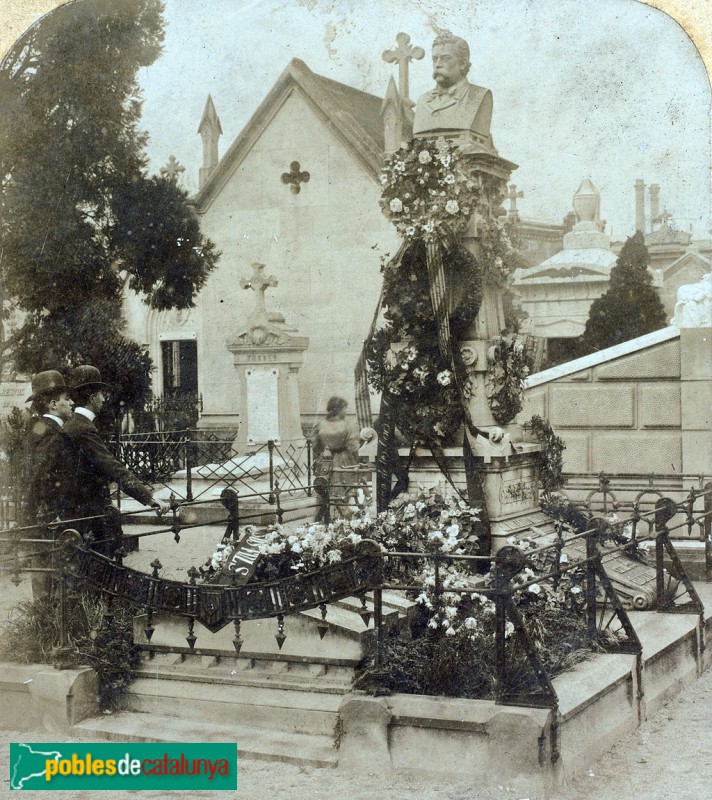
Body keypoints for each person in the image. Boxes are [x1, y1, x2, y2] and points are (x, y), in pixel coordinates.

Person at [61, 365, 169, 557]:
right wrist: (150, 498)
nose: (104, 399)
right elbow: (113, 467)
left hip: (79, 511)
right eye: (101, 394)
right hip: (88, 514)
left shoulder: (76, 425)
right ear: (93, 397)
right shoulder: (83, 428)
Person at [22, 370, 75, 599]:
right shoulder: (53, 435)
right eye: (67, 399)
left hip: (42, 517)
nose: (72, 402)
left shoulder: (39, 430)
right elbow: (39, 478)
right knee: (51, 573)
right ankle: (51, 628)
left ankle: (45, 625)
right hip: (51, 518)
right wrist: (51, 512)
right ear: (54, 404)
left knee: (44, 571)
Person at [412, 29, 494, 151]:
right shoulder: (423, 100)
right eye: (435, 59)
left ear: (463, 64)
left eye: (445, 58)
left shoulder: (479, 96)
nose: (437, 64)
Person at [311, 396, 360, 522]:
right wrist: (355, 461)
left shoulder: (321, 424)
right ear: (338, 409)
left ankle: (322, 520)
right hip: (343, 459)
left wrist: (323, 452)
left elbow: (315, 445)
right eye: (345, 408)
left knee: (324, 490)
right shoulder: (347, 425)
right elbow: (353, 446)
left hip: (325, 460)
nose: (347, 411)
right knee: (340, 491)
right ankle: (346, 520)